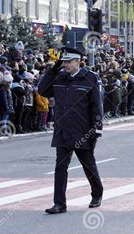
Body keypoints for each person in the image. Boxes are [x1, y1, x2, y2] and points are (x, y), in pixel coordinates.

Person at [38, 47, 104, 214]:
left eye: (68, 62)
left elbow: (97, 105)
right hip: (63, 130)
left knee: (88, 165)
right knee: (60, 167)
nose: (65, 65)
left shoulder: (90, 79)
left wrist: (97, 129)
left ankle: (97, 193)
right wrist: (54, 68)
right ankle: (59, 203)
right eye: (64, 62)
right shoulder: (59, 77)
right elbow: (42, 90)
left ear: (78, 62)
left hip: (83, 131)